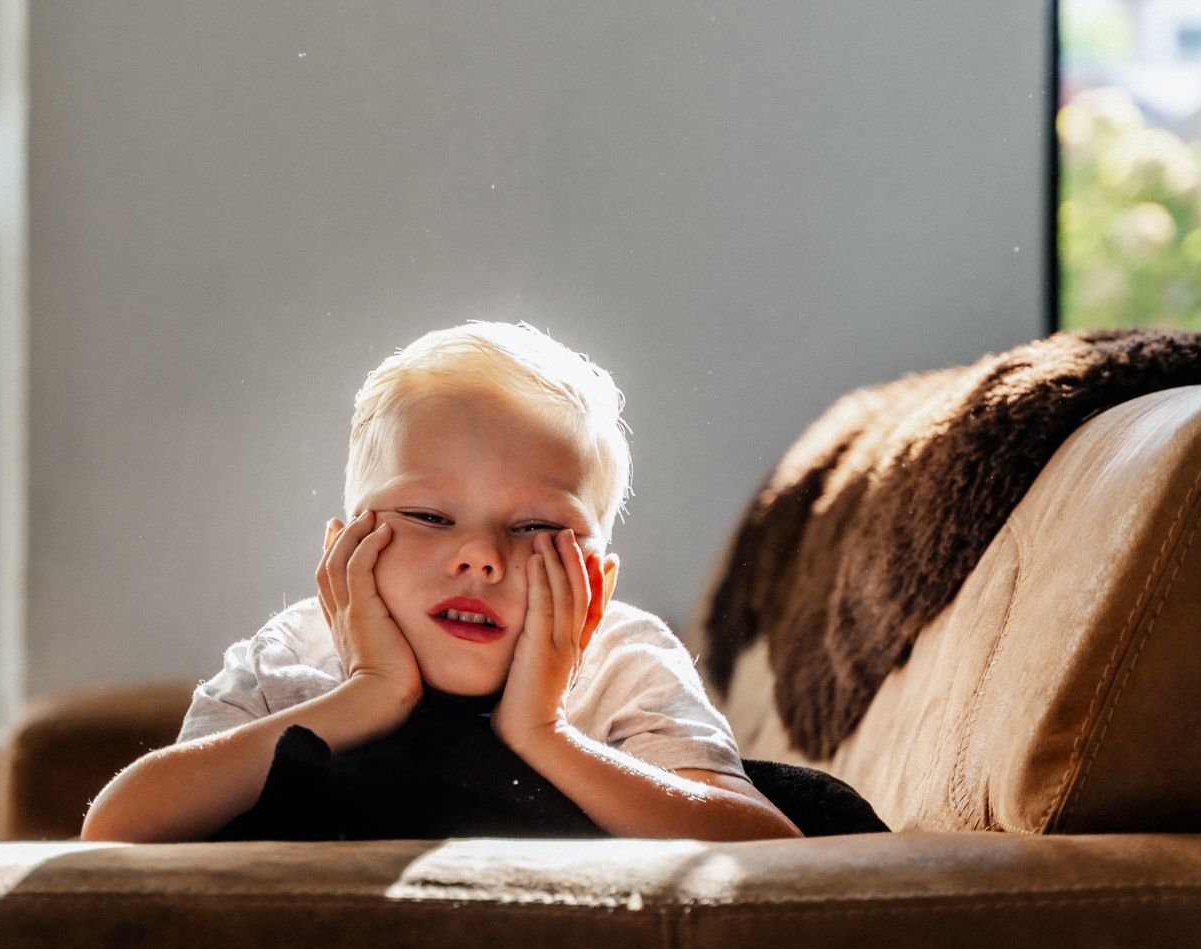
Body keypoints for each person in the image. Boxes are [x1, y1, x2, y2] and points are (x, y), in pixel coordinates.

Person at [80, 320, 799, 844]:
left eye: (534, 530)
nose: (480, 557)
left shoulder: (623, 661)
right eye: (428, 515)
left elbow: (766, 852)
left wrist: (544, 732)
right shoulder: (293, 659)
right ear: (344, 552)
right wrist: (367, 694)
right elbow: (120, 826)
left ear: (597, 586)